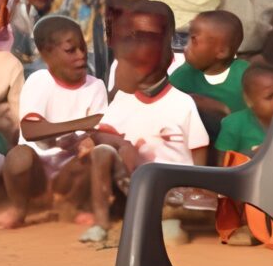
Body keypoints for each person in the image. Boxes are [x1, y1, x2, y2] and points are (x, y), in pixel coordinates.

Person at [85, 17, 209, 250]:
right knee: (101, 151)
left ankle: (155, 224)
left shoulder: (182, 102)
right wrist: (122, 144)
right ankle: (101, 225)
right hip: (132, 185)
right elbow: (99, 135)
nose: (122, 69)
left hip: (172, 191)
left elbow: (199, 148)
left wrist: (196, 190)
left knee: (171, 238)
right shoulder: (122, 100)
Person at [7, 15, 106, 230]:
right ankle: (19, 209)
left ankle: (70, 204)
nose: (81, 56)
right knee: (18, 156)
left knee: (97, 155)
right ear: (46, 54)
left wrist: (89, 139)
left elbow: (98, 130)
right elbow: (31, 130)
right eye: (71, 50)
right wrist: (83, 123)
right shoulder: (38, 80)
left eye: (82, 48)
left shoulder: (96, 86)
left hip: (68, 172)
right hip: (36, 171)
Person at [212, 63, 273, 248]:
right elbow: (223, 165)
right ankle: (248, 226)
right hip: (247, 188)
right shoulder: (234, 124)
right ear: (249, 101)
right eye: (270, 97)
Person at [165, 8, 250, 139]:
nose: (186, 46)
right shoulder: (183, 76)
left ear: (221, 51)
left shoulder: (246, 75)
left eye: (194, 40)